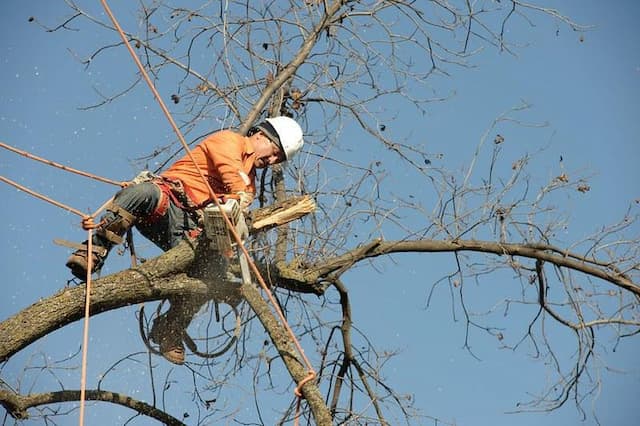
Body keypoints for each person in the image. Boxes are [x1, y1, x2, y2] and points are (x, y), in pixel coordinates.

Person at [65, 116, 304, 364]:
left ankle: (170, 328)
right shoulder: (229, 141)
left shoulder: (249, 183)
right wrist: (241, 196)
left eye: (279, 160)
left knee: (214, 271)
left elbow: (237, 200)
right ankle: (93, 251)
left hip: (189, 231)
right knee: (143, 192)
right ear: (261, 135)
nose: (273, 161)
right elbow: (231, 172)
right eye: (275, 152)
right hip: (166, 204)